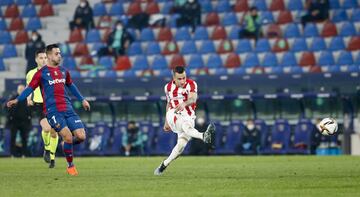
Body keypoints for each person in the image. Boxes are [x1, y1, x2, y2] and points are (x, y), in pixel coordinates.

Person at [7, 44, 91, 176]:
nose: (60, 55)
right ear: (50, 55)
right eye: (57, 53)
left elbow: (71, 85)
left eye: (60, 53)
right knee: (68, 136)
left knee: (81, 136)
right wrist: (18, 99)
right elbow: (29, 88)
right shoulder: (41, 74)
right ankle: (70, 165)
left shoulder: (64, 71)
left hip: (68, 109)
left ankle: (65, 145)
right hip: (53, 111)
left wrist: (82, 99)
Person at [154, 66, 215, 176]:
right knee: (184, 124)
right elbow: (168, 103)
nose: (182, 81)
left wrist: (184, 103)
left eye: (184, 78)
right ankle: (203, 136)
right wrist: (166, 121)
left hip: (189, 117)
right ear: (174, 77)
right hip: (173, 114)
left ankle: (163, 165)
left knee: (181, 146)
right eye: (179, 79)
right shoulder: (167, 87)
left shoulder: (191, 84)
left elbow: (193, 98)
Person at [26, 49, 58, 168]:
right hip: (40, 105)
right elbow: (28, 88)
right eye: (41, 58)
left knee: (54, 132)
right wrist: (28, 99)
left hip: (53, 104)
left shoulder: (54, 72)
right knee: (47, 128)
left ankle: (53, 157)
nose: (44, 60)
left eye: (45, 57)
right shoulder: (31, 74)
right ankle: (47, 148)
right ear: (36, 60)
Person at [5, 84, 32, 158]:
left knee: (24, 138)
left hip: (24, 122)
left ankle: (24, 154)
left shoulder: (27, 99)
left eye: (22, 89)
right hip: (14, 122)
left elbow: (31, 109)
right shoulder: (13, 98)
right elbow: (6, 107)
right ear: (17, 90)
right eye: (20, 89)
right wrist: (10, 117)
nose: (21, 90)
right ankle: (12, 154)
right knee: (12, 138)